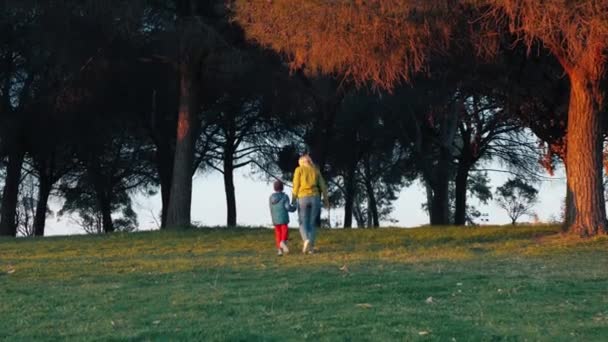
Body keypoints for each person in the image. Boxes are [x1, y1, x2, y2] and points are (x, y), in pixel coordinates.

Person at [291, 154, 329, 254]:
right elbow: (323, 187)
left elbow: (296, 185)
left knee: (302, 222)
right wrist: (326, 200)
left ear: (301, 162)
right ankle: (311, 248)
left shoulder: (299, 170)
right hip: (315, 198)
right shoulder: (316, 170)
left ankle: (306, 240)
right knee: (312, 223)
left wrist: (293, 199)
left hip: (303, 197)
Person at [269, 180, 296, 256]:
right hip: (283, 217)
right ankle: (283, 242)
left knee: (278, 234)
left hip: (275, 219)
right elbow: (287, 207)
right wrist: (294, 208)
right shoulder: (285, 196)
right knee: (284, 231)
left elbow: (271, 208)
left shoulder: (271, 197)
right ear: (282, 187)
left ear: (274, 188)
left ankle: (279, 250)